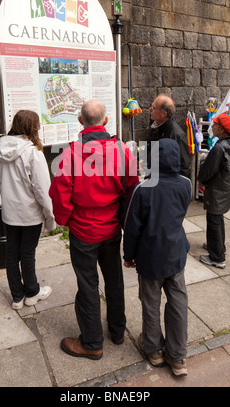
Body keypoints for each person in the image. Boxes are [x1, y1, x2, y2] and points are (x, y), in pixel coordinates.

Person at [49, 99, 139, 360]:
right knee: (114, 280)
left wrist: (66, 219)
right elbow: (132, 189)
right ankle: (117, 330)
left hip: (83, 231)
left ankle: (92, 342)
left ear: (80, 121)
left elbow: (59, 195)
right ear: (107, 122)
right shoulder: (122, 151)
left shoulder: (70, 154)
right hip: (110, 229)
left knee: (87, 285)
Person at [123, 138, 191, 377]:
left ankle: (153, 349)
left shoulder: (142, 189)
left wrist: (128, 255)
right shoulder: (186, 184)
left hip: (151, 257)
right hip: (175, 254)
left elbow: (132, 227)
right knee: (178, 302)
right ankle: (178, 355)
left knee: (150, 303)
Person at [0, 110, 56, 310]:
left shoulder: (0, 148)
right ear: (33, 127)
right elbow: (42, 190)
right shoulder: (33, 153)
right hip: (29, 213)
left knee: (12, 254)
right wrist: (50, 217)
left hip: (10, 211)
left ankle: (17, 297)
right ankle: (32, 292)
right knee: (27, 254)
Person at [198, 113, 230, 269]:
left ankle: (217, 257)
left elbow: (207, 171)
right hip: (227, 188)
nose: (212, 127)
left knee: (214, 221)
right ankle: (216, 246)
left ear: (222, 130)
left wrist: (201, 179)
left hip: (218, 190)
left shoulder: (220, 148)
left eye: (215, 125)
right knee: (217, 219)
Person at [147, 94, 191, 178]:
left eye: (153, 108)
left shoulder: (177, 135)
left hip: (166, 182)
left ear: (164, 114)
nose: (149, 109)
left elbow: (184, 166)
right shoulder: (155, 125)